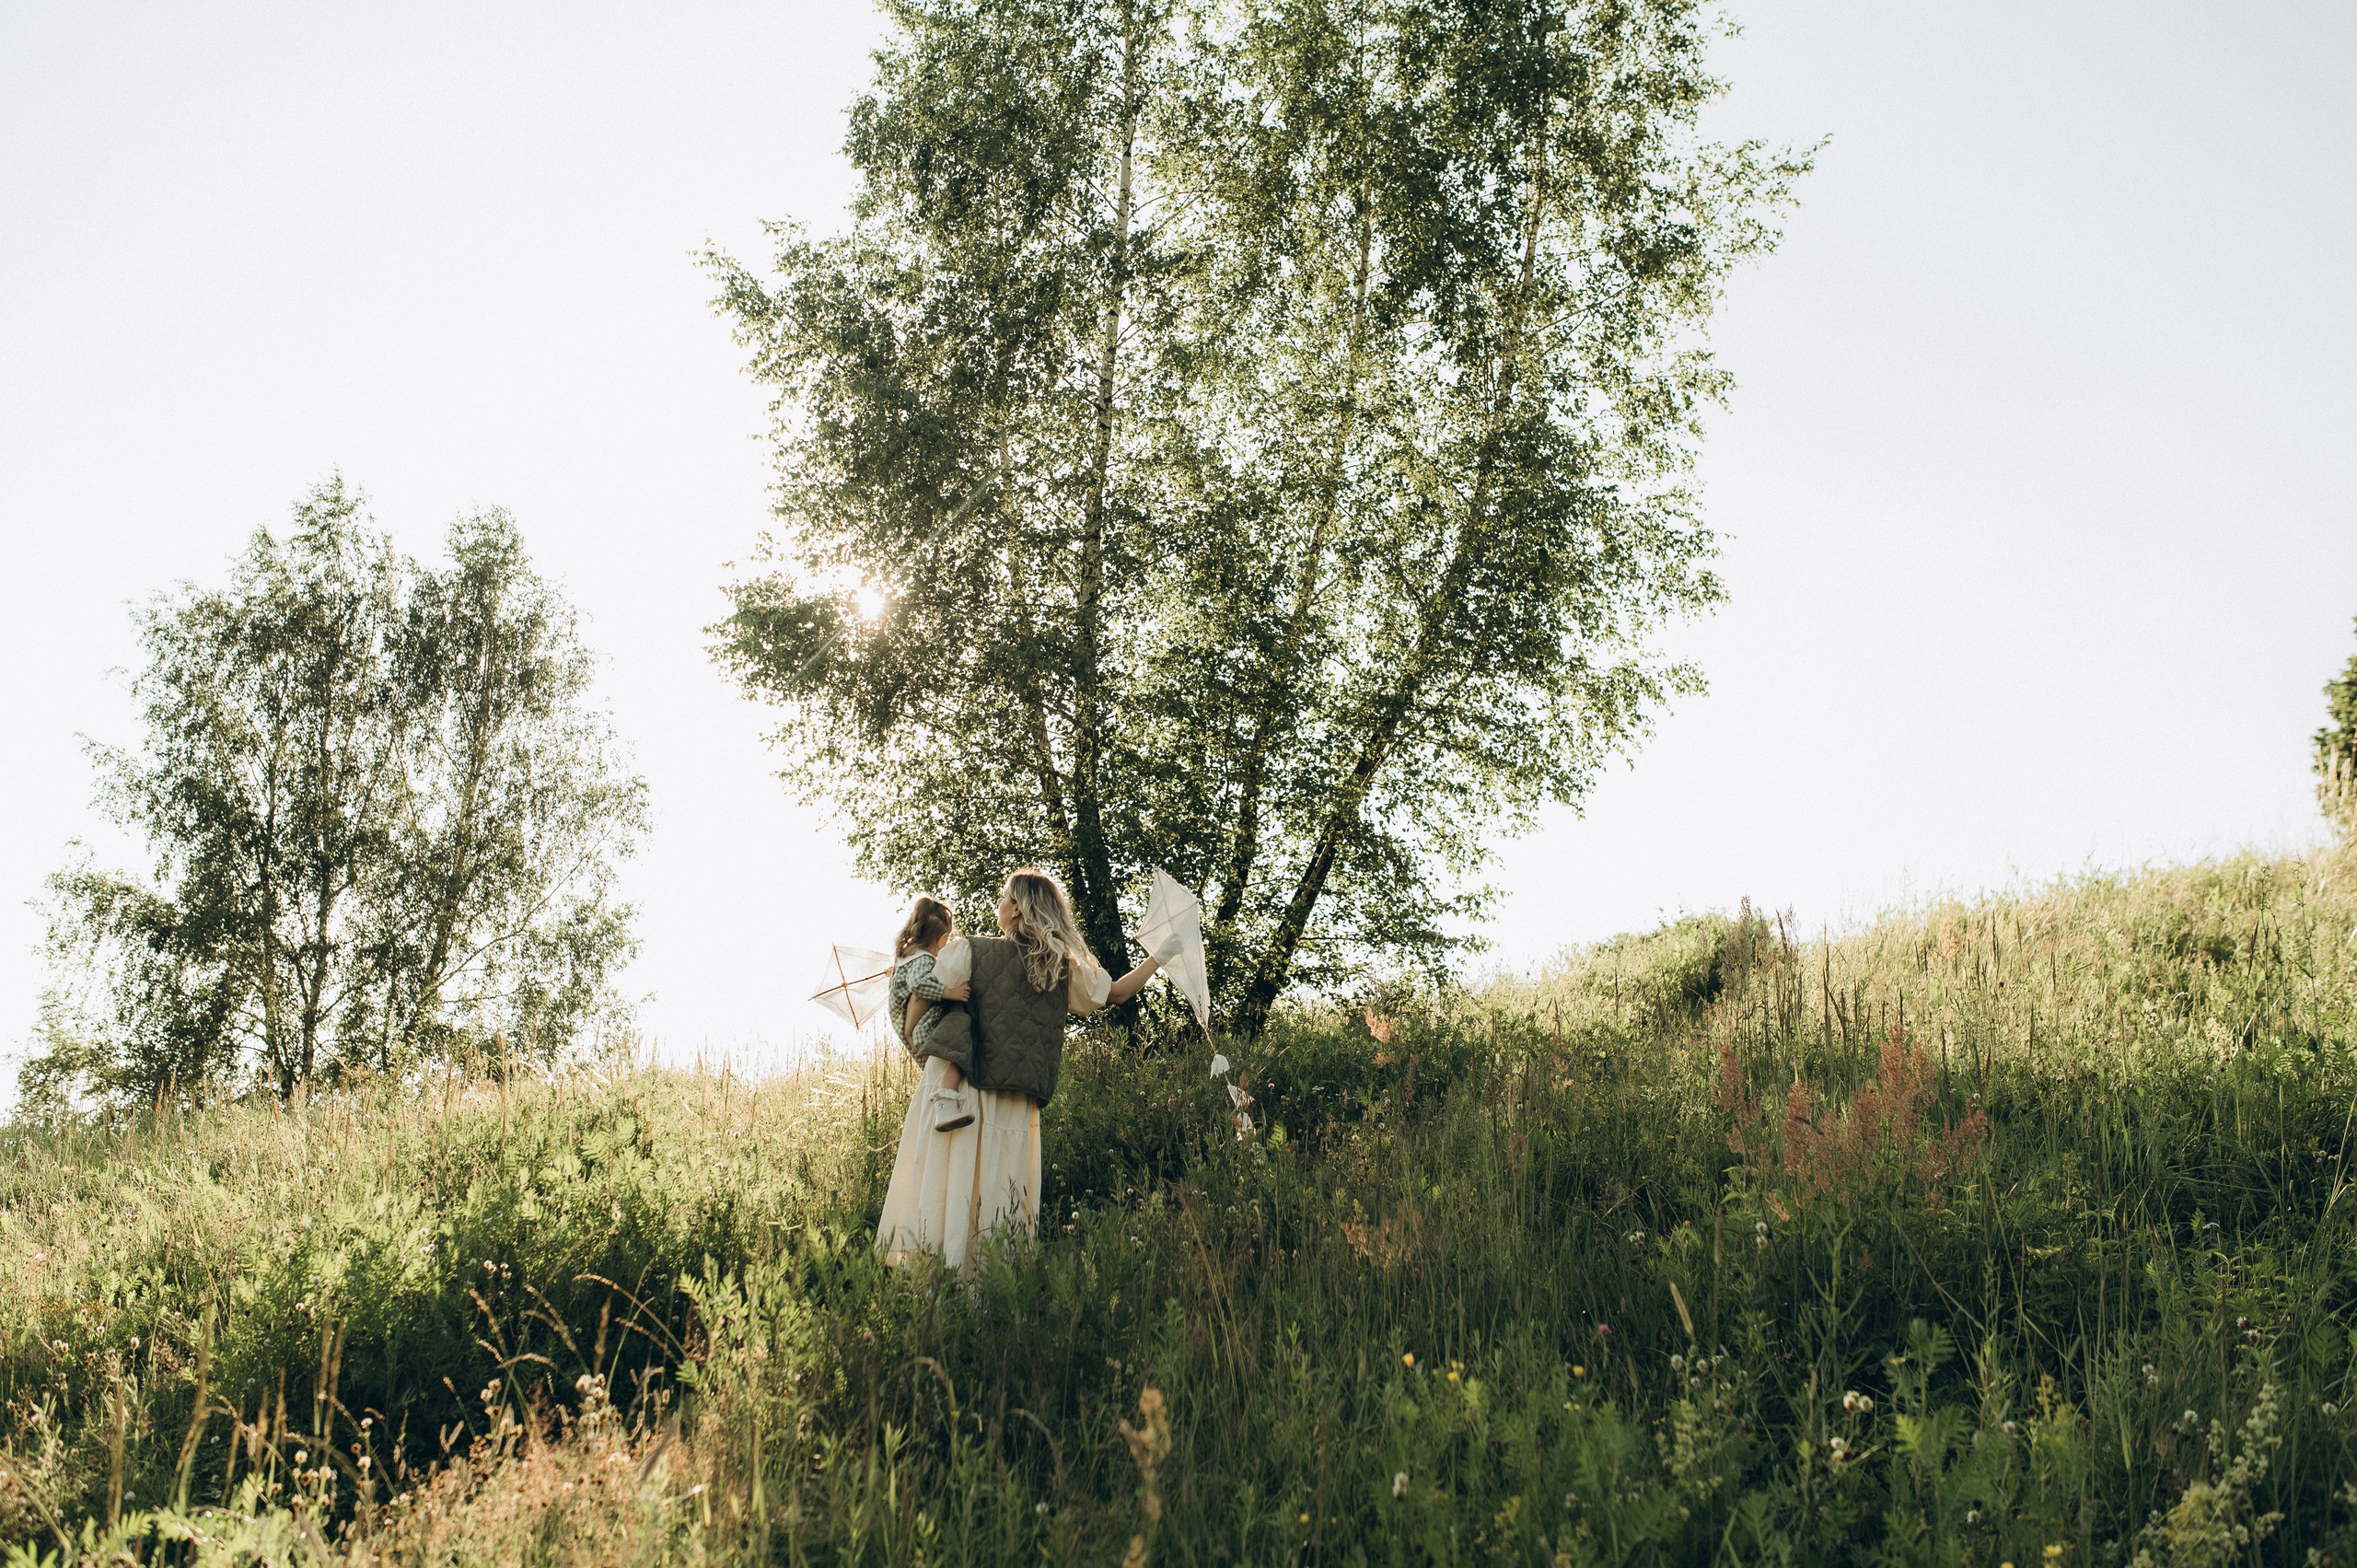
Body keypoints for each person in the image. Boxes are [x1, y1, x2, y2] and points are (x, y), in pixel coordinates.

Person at [876, 867, 1161, 1272]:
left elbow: (919, 1005)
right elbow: (1118, 993)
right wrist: (1159, 956)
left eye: (1005, 897)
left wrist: (912, 1036)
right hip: (1015, 1099)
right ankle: (989, 1291)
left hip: (958, 1090)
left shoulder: (969, 951)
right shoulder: (1062, 968)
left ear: (1017, 911)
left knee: (947, 1186)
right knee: (999, 1197)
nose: (999, 903)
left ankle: (938, 1285)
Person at [886, 895, 975, 1132]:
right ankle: (945, 1099)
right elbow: (918, 983)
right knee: (957, 1025)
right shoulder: (923, 958)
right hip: (917, 1026)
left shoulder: (908, 955)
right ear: (940, 938)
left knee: (930, 1069)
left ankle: (941, 1098)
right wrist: (949, 992)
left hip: (905, 1021)